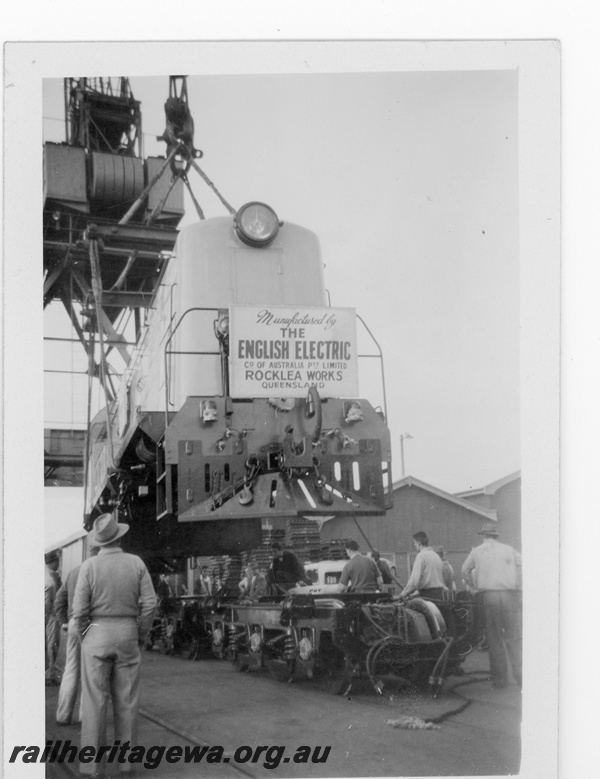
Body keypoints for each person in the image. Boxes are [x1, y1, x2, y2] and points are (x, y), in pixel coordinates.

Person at [73, 513, 157, 775]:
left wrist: (86, 634)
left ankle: (92, 766)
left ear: (99, 541)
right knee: (127, 701)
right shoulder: (136, 563)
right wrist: (141, 633)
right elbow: (150, 604)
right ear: (119, 536)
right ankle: (127, 762)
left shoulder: (88, 567)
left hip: (96, 634)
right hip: (127, 633)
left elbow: (79, 611)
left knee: (94, 701)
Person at [462, 523, 522, 689]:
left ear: (483, 536)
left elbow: (465, 570)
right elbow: (523, 563)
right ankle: (522, 677)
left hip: (489, 597)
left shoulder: (477, 551)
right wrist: (518, 583)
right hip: (510, 595)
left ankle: (501, 681)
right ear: (496, 536)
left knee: (495, 640)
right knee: (514, 638)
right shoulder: (509, 549)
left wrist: (473, 588)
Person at [54, 538, 99, 725]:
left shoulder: (73, 572)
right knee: (89, 672)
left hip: (73, 623)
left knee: (70, 670)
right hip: (90, 624)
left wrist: (64, 621)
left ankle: (63, 715)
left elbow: (59, 600)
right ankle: (84, 716)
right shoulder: (98, 571)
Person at [399, 531, 445, 601]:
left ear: (419, 544)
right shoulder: (436, 556)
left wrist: (403, 594)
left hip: (426, 596)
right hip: (439, 596)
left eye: (415, 543)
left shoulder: (421, 556)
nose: (415, 546)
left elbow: (414, 582)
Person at [45, 551, 62, 686]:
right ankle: (49, 675)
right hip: (52, 613)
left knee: (51, 643)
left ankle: (49, 672)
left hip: (50, 613)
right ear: (52, 563)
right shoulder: (52, 577)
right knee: (53, 644)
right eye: (57, 561)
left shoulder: (50, 575)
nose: (58, 563)